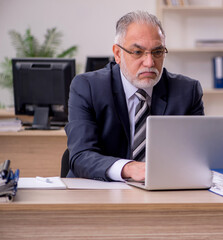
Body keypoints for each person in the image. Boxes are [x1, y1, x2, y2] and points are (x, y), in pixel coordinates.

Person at [65, 11, 204, 182]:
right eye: (138, 52)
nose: (150, 62)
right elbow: (81, 156)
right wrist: (129, 168)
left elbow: (197, 157)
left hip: (163, 192)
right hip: (97, 190)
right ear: (117, 54)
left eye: (158, 52)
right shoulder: (87, 87)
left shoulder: (187, 91)